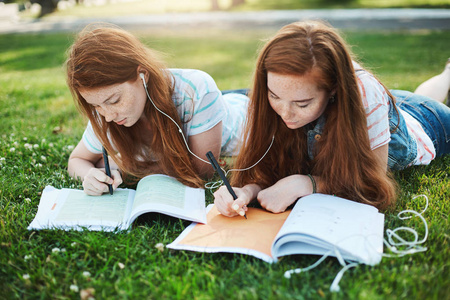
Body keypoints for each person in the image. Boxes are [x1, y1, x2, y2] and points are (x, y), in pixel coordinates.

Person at [213, 21, 450, 217]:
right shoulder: (283, 90)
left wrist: (310, 184)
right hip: (386, 109)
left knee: (424, 98)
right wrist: (246, 191)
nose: (285, 113)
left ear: (334, 89)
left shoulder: (366, 97)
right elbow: (268, 170)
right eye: (275, 96)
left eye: (302, 103)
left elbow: (373, 183)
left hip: (427, 123)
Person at [65, 23, 248, 195]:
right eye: (95, 105)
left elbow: (202, 171)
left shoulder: (197, 90)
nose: (108, 116)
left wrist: (124, 166)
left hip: (246, 106)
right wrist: (88, 174)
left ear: (142, 74)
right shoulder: (104, 112)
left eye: (115, 100)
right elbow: (77, 160)